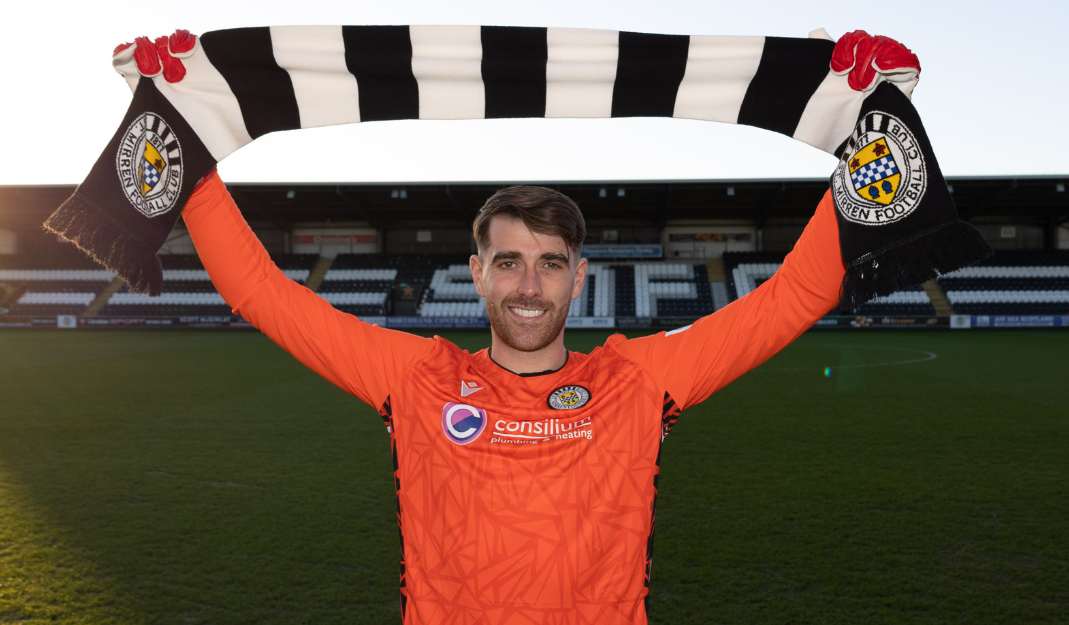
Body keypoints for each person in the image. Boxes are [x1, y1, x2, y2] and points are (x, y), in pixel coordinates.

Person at [183, 170, 844, 624]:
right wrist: (186, 156)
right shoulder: (416, 378)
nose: (530, 286)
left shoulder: (637, 380)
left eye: (550, 263)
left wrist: (868, 142)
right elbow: (261, 293)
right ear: (477, 274)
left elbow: (797, 296)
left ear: (578, 278)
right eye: (509, 263)